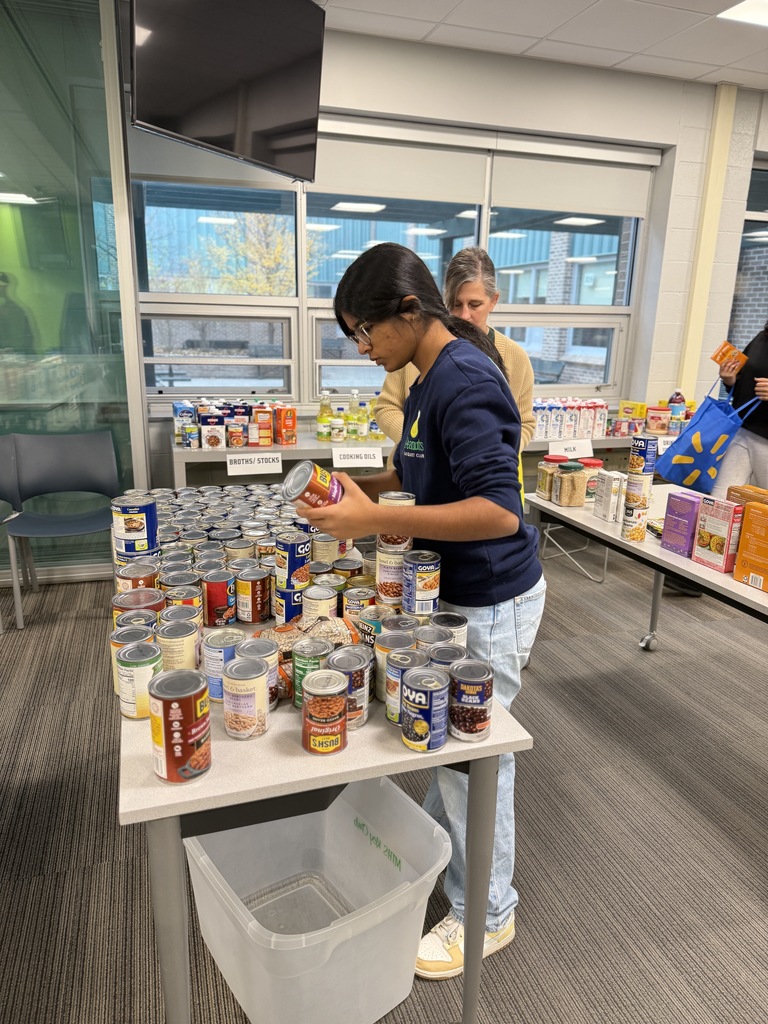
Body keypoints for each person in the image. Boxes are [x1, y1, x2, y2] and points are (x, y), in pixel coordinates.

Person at [300, 242, 546, 981]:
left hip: (493, 596)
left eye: (366, 332)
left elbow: (500, 514)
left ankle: (488, 914)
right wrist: (356, 489)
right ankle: (439, 860)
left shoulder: (464, 379)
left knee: (475, 761)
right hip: (456, 596)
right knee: (446, 754)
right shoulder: (427, 375)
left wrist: (372, 522)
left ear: (409, 311)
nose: (364, 348)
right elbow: (419, 474)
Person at [374, 246, 535, 466]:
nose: (464, 315)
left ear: (494, 300)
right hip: (414, 471)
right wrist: (421, 445)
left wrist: (489, 452)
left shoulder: (515, 358)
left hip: (478, 473)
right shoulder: (417, 349)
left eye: (475, 305)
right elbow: (386, 408)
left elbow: (524, 423)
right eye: (455, 304)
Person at [711, 320, 768, 498]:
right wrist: (729, 379)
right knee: (720, 499)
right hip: (742, 430)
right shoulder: (762, 338)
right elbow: (742, 381)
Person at [0, 271, 35, 353]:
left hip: (15, 358)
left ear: (5, 287)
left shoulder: (13, 309)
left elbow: (18, 342)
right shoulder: (6, 308)